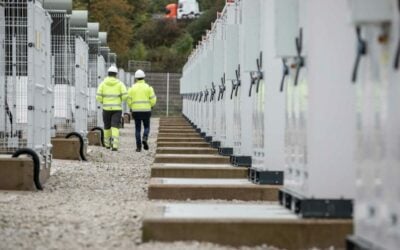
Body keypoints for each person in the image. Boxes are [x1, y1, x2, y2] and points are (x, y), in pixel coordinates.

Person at [96, 65, 127, 151]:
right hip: (117, 109)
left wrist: (104, 101)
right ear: (116, 74)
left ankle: (107, 145)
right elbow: (125, 96)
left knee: (107, 126)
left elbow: (98, 96)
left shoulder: (102, 84)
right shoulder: (120, 84)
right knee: (115, 126)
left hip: (106, 108)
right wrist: (119, 100)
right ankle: (115, 145)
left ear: (108, 74)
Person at [127, 69, 157, 152]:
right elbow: (153, 99)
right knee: (147, 126)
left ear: (136, 78)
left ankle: (138, 147)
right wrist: (150, 105)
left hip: (136, 111)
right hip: (146, 110)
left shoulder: (132, 88)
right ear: (144, 77)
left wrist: (132, 107)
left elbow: (128, 100)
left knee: (137, 129)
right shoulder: (148, 88)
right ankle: (145, 137)